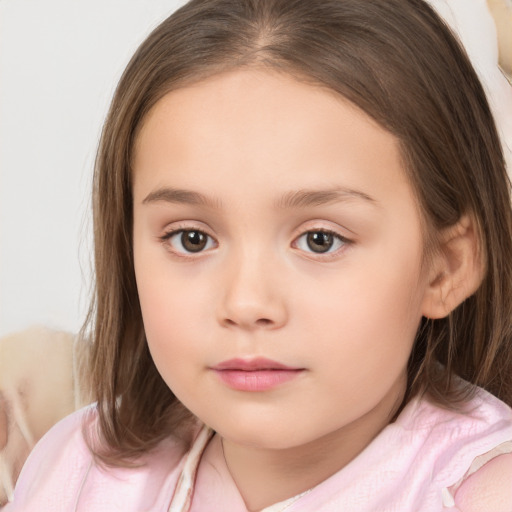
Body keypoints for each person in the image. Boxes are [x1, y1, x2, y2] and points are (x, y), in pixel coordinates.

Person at [4, 0, 512, 510]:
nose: (246, 303)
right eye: (192, 239)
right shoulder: (80, 471)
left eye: (320, 240)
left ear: (445, 266)